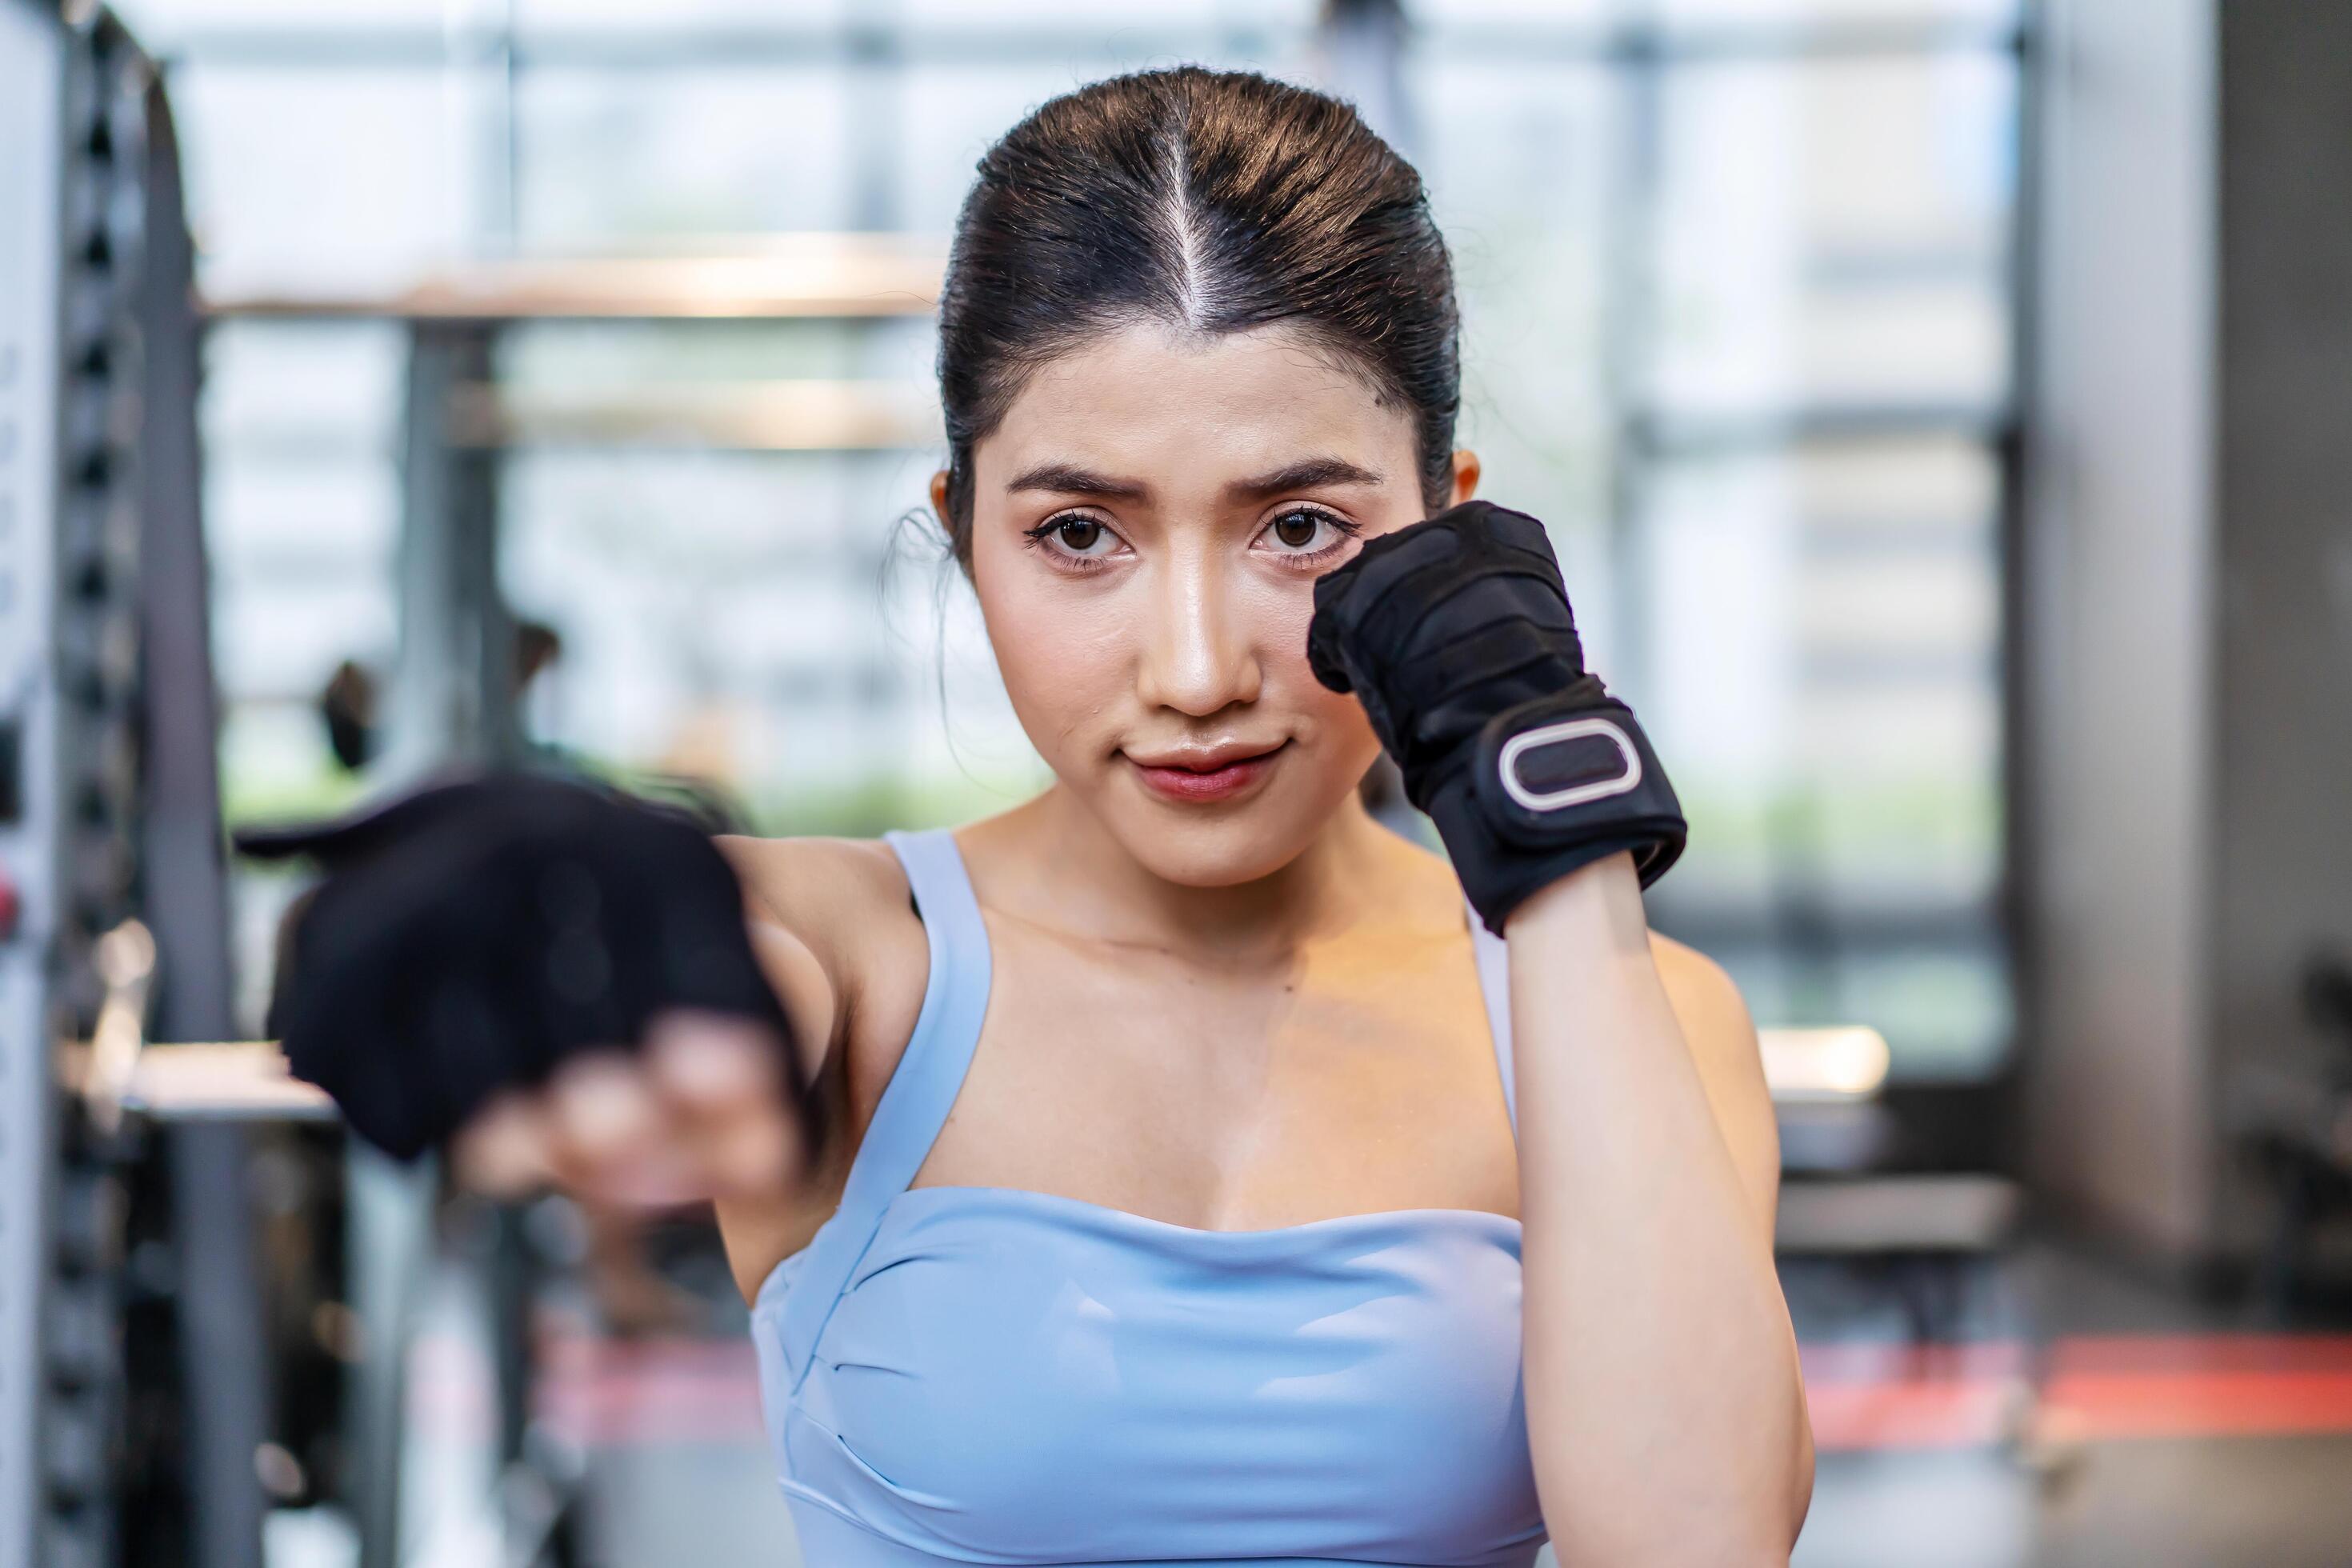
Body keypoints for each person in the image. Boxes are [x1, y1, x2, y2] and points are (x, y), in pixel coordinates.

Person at [250, 66, 1814, 1566]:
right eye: (1080, 533)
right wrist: (556, 914)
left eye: (1301, 528)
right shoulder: (869, 963)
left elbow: (1690, 1544)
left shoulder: (1636, 1014)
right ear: (961, 529)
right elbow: (717, 952)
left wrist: (1559, 849)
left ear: (1447, 527)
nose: (1196, 669)